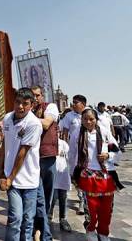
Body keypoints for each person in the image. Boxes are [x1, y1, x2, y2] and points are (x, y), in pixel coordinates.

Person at [0, 88, 43, 241]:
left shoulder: (34, 124)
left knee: (27, 220)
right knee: (15, 218)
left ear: (32, 105)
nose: (20, 107)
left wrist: (10, 178)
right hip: (12, 178)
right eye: (18, 102)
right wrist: (1, 169)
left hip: (29, 179)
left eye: (25, 104)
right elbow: (6, 143)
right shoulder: (7, 119)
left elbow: (22, 153)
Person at [75, 109, 122, 241]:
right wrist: (74, 174)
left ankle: (103, 232)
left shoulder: (105, 133)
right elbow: (72, 156)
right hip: (87, 175)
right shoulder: (77, 135)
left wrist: (108, 156)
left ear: (96, 119)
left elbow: (118, 154)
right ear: (81, 120)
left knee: (106, 210)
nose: (88, 122)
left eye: (91, 119)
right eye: (85, 119)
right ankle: (90, 230)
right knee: (91, 209)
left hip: (106, 176)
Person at [31, 85, 59, 241]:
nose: (35, 98)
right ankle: (40, 229)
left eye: (37, 95)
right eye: (32, 95)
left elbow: (46, 123)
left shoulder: (51, 107)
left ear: (42, 96)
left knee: (47, 196)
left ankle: (41, 228)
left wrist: (27, 117)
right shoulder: (29, 111)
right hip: (32, 159)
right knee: (37, 196)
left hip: (47, 157)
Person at [59, 94, 87, 215]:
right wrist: (65, 147)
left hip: (87, 152)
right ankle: (81, 198)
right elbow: (64, 132)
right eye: (73, 102)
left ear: (83, 104)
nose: (73, 104)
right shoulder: (69, 116)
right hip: (73, 151)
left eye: (76, 102)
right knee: (76, 175)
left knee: (86, 174)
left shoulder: (89, 114)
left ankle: (85, 200)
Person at [48, 136, 72, 232]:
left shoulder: (63, 144)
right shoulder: (46, 143)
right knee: (52, 197)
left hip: (63, 175)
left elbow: (69, 157)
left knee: (63, 197)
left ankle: (63, 218)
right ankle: (49, 216)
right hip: (52, 176)